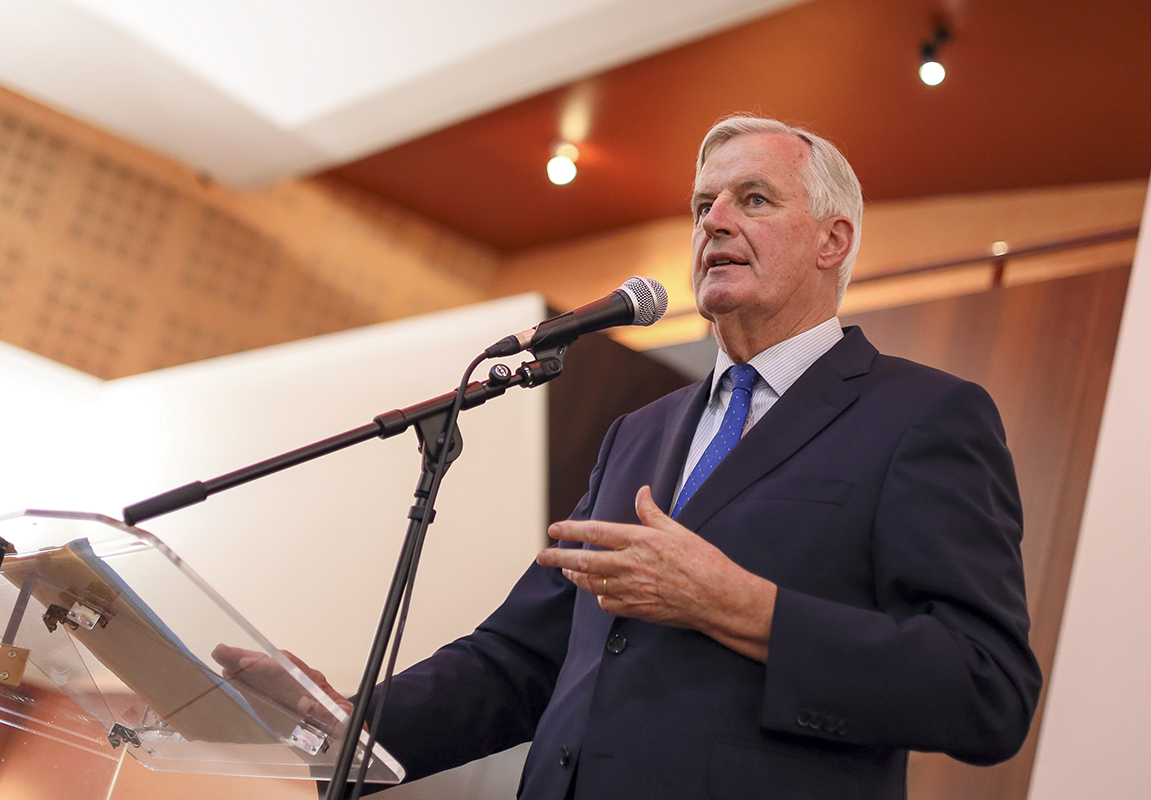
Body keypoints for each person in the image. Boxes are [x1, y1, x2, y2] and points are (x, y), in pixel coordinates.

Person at [219, 115, 1042, 799]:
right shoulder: (640, 432)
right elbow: (523, 658)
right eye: (703, 205)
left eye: (753, 198)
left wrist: (743, 605)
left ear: (834, 241)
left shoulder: (921, 416)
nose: (715, 222)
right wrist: (346, 718)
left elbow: (985, 688)